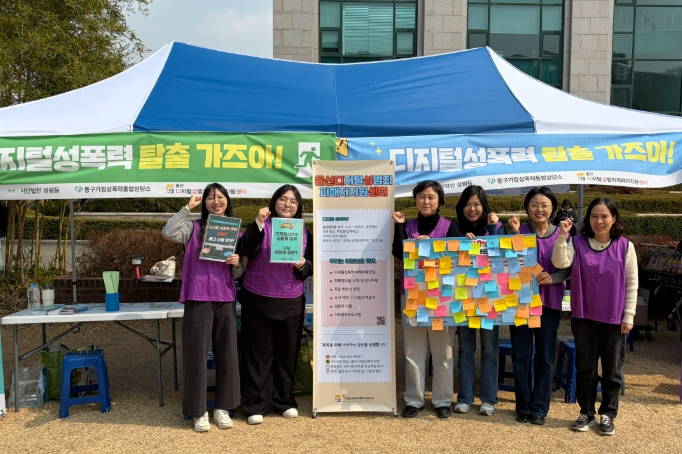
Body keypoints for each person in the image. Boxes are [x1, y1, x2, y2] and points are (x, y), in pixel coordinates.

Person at [552, 197, 637, 436]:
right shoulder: (578, 242)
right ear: (588, 219)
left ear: (614, 219)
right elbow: (560, 262)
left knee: (612, 369)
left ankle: (608, 414)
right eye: (594, 216)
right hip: (584, 315)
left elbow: (632, 283)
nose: (599, 221)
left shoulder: (625, 246)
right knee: (585, 367)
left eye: (604, 216)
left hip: (614, 317)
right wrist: (562, 236)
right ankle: (586, 412)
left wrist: (629, 316)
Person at [162, 183, 242, 432]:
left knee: (227, 355)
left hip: (225, 297)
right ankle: (198, 412)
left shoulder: (236, 232)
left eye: (220, 197)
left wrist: (236, 263)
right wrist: (187, 207)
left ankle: (223, 408)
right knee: (196, 355)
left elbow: (241, 271)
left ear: (227, 201)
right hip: (198, 297)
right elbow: (168, 231)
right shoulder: (192, 228)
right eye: (210, 198)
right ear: (204, 202)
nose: (216, 201)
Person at [235, 184, 313, 425]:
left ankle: (284, 401)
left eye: (293, 201)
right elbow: (244, 248)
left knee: (286, 354)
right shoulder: (262, 226)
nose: (287, 204)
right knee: (257, 355)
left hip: (291, 300)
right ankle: (255, 404)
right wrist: (258, 223)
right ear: (274, 201)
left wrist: (303, 265)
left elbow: (311, 264)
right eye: (283, 199)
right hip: (258, 299)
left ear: (298, 207)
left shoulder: (303, 232)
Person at [392, 180, 461, 419]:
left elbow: (459, 260)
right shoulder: (407, 225)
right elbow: (398, 252)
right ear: (415, 200)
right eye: (421, 196)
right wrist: (400, 228)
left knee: (444, 352)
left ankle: (442, 400)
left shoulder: (450, 227)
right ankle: (414, 399)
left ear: (439, 200)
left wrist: (433, 248)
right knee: (413, 350)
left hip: (442, 298)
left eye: (431, 197)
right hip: (412, 296)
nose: (426, 201)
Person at [507, 187, 571, 425]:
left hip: (549, 304)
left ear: (552, 208)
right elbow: (508, 264)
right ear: (527, 208)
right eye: (534, 204)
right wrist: (514, 234)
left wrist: (553, 278)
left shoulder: (562, 234)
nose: (539, 209)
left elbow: (568, 268)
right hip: (521, 303)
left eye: (544, 205)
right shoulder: (519, 232)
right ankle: (523, 406)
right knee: (520, 355)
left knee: (545, 356)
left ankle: (540, 408)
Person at [453, 185, 504, 416]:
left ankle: (488, 399)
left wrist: (492, 229)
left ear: (484, 206)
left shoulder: (497, 227)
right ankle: (464, 397)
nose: (472, 209)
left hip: (490, 300)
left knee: (489, 349)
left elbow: (501, 257)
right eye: (468, 204)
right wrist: (461, 243)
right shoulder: (455, 228)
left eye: (477, 204)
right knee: (465, 349)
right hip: (463, 299)